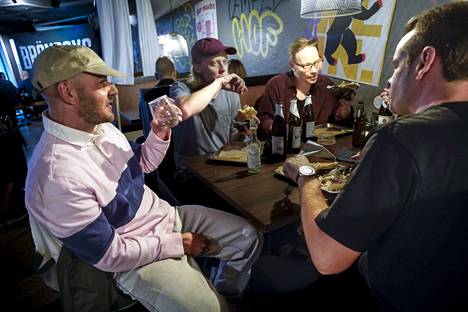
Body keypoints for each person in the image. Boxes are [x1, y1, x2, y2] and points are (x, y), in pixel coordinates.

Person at [25, 45, 262, 312]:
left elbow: (143, 164)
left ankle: (224, 292)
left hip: (167, 217)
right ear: (67, 92)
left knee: (248, 236)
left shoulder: (101, 128)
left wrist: (159, 131)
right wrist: (178, 243)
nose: (113, 90)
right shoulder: (55, 175)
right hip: (134, 256)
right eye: (103, 83)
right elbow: (109, 254)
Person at [283, 3, 468, 311]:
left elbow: (328, 258)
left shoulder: (402, 136)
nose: (391, 79)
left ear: (424, 62)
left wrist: (306, 176)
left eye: (397, 66)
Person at [169, 37, 247, 168]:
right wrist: (218, 83)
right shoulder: (181, 88)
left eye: (225, 61)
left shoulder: (231, 94)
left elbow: (231, 136)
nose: (223, 69)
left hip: (222, 162)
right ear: (198, 68)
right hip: (189, 168)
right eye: (214, 63)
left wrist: (245, 130)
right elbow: (184, 110)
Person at [257, 37, 354, 137]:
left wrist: (344, 113)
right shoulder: (277, 85)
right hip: (285, 146)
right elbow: (264, 117)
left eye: (317, 63)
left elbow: (339, 124)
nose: (314, 71)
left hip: (318, 145)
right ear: (292, 65)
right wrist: (274, 128)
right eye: (306, 65)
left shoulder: (327, 85)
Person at [0, 72, 28, 227]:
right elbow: (18, 105)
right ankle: (11, 211)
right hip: (7, 140)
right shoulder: (5, 85)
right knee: (13, 172)